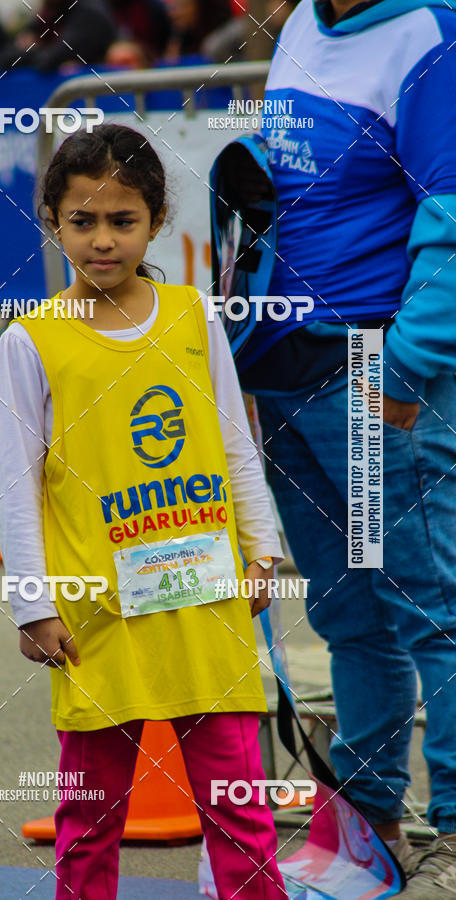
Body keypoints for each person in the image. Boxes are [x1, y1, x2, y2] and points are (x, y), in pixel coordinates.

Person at [0, 123, 288, 900]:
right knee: (89, 823)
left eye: (122, 221)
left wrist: (263, 549)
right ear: (51, 219)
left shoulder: (194, 316)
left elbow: (233, 441)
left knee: (241, 813)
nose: (101, 241)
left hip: (207, 613)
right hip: (97, 622)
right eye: (82, 221)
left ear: (157, 221)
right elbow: (17, 487)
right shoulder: (31, 340)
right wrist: (33, 603)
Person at [237, 0, 456, 894]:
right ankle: (365, 831)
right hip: (283, 372)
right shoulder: (300, 23)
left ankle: (450, 836)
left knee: (430, 616)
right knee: (347, 620)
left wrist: (402, 374)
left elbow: (451, 218)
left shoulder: (429, 35)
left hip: (369, 377)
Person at [0, 0, 116, 73]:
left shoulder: (90, 12)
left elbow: (49, 61)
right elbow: (4, 59)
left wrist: (33, 48)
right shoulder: (50, 13)